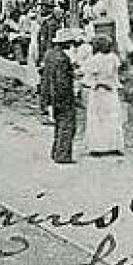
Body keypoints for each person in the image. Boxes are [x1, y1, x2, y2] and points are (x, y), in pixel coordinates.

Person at [82, 34, 124, 157]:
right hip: (103, 91)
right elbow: (89, 78)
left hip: (104, 91)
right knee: (104, 118)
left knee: (106, 118)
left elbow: (88, 79)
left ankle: (107, 146)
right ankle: (103, 146)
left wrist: (102, 84)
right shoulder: (102, 59)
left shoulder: (108, 59)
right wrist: (102, 84)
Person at [42, 27, 80, 164]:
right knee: (67, 125)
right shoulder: (62, 59)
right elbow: (62, 81)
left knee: (59, 124)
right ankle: (62, 154)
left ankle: (56, 151)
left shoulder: (49, 54)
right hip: (62, 96)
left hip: (51, 95)